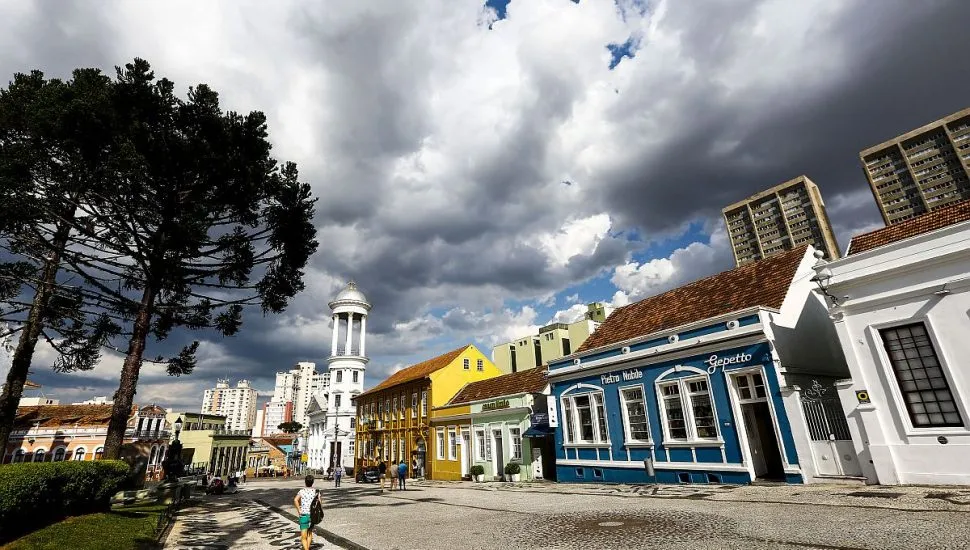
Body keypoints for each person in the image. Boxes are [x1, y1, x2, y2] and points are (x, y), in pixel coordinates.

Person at [294, 475, 323, 550]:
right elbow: (320, 503)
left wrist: (299, 510)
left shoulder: (302, 491)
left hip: (303, 515)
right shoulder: (316, 492)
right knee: (309, 533)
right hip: (312, 516)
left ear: (305, 482)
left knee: (303, 537)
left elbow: (295, 500)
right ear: (312, 482)